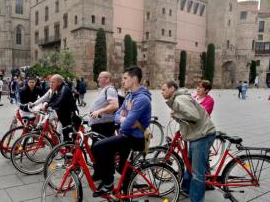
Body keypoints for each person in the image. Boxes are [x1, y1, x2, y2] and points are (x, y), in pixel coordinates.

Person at [92, 67, 150, 197]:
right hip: (128, 134)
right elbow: (116, 115)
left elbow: (127, 123)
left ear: (134, 79)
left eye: (125, 78)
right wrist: (125, 118)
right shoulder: (130, 96)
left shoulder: (141, 99)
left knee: (99, 146)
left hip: (135, 138)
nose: (122, 81)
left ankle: (108, 184)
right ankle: (126, 192)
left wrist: (125, 119)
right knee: (122, 166)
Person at [161, 80, 216, 202]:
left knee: (197, 173)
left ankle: (196, 199)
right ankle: (186, 188)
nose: (161, 92)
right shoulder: (179, 98)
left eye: (164, 89)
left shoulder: (181, 99)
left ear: (172, 89)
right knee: (190, 165)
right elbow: (188, 116)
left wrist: (176, 115)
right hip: (196, 134)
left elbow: (194, 116)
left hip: (202, 135)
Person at [31, 74, 77, 141]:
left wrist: (46, 106)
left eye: (53, 82)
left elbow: (58, 101)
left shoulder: (64, 89)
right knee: (58, 136)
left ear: (59, 82)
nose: (51, 84)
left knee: (64, 137)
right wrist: (46, 104)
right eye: (50, 82)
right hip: (62, 115)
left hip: (69, 117)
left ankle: (68, 149)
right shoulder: (58, 89)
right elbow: (52, 99)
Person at [89, 71, 119, 138]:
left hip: (103, 125)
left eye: (100, 77)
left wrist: (99, 111)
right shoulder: (105, 90)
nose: (97, 79)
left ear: (107, 79)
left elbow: (114, 105)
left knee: (100, 147)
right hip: (100, 125)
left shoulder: (109, 90)